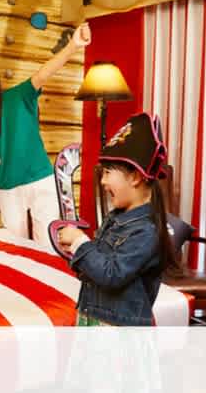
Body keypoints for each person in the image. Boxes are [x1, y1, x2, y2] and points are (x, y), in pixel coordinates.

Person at [0, 23, 91, 246]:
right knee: (18, 247)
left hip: (40, 180)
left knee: (47, 244)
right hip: (9, 187)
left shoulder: (17, 97)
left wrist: (73, 45)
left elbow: (44, 72)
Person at [56, 112, 182, 326]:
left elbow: (112, 274)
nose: (103, 182)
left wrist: (80, 242)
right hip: (93, 319)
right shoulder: (115, 219)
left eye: (107, 173)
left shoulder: (146, 231)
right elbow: (99, 267)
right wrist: (78, 254)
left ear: (135, 177)